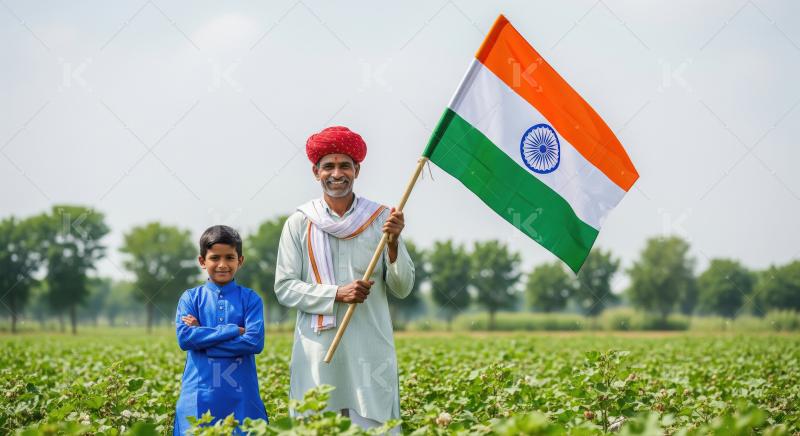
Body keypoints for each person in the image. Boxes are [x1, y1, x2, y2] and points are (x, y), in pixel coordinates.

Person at [274, 126, 414, 431]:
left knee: (375, 424)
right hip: (318, 348)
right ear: (316, 172)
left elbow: (402, 288)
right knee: (318, 422)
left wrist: (393, 243)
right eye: (328, 166)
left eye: (344, 166)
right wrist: (337, 294)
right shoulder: (300, 222)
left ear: (357, 170)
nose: (337, 174)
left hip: (370, 347)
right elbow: (285, 289)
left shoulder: (381, 219)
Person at [173, 225, 268, 435]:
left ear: (240, 261)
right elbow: (185, 339)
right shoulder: (190, 298)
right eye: (215, 258)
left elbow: (254, 342)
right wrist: (233, 330)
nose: (222, 265)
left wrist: (203, 339)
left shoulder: (251, 299)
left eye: (229, 258)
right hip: (197, 395)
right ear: (202, 261)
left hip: (242, 395)